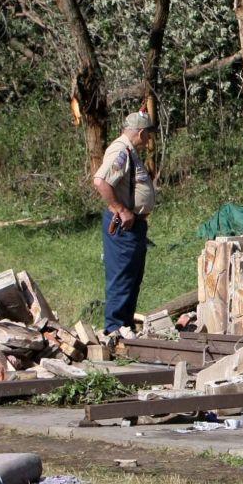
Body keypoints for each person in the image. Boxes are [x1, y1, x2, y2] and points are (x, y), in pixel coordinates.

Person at [91, 110, 158, 336]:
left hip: (134, 226)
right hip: (123, 225)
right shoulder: (120, 150)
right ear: (141, 132)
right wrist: (121, 209)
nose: (149, 139)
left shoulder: (130, 150)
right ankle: (114, 330)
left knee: (132, 277)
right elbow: (100, 181)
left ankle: (125, 327)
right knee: (121, 277)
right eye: (148, 134)